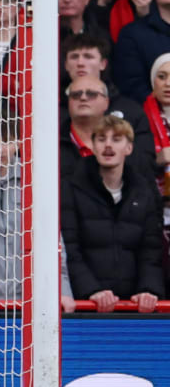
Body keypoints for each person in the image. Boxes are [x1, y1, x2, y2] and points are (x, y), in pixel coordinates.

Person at [62, 114, 166, 314]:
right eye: (101, 139)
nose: (108, 145)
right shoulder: (71, 187)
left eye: (116, 139)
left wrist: (148, 290)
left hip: (133, 307)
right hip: (85, 307)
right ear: (93, 146)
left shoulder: (143, 191)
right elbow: (70, 250)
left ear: (129, 148)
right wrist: (92, 291)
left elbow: (150, 251)